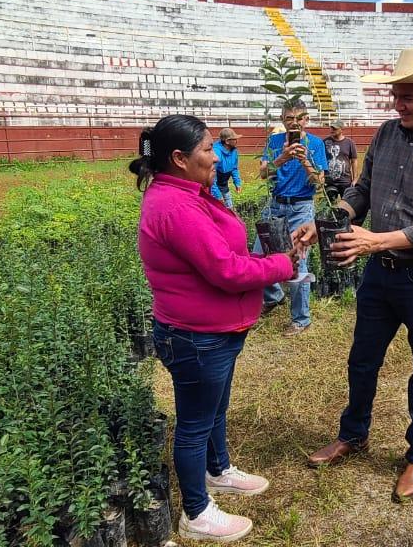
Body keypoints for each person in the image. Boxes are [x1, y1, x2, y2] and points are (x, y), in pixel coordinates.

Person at [295, 49, 413, 502]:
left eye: (408, 96)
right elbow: (361, 189)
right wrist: (330, 220)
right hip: (381, 274)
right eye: (396, 95)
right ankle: (353, 434)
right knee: (362, 361)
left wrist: (374, 240)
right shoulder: (386, 134)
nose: (398, 105)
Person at [129, 115, 297, 543]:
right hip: (196, 335)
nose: (216, 154)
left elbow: (223, 252)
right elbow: (224, 270)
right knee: (193, 425)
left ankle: (217, 469)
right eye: (208, 148)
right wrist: (281, 264)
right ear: (180, 158)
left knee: (214, 409)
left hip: (215, 331)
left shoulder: (190, 193)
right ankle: (197, 512)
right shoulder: (175, 206)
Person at [253, 99, 328, 337]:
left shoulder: (315, 144)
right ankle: (273, 295)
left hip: (301, 208)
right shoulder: (274, 142)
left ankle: (301, 318)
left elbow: (319, 182)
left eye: (299, 118)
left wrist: (304, 160)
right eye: (288, 119)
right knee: (259, 254)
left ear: (306, 119)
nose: (293, 124)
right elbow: (264, 174)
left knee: (298, 262)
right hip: (276, 204)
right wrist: (283, 157)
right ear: (282, 120)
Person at [324, 119, 358, 200]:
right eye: (331, 128)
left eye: (335, 128)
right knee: (330, 208)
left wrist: (355, 178)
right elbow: (321, 160)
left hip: (345, 181)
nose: (332, 130)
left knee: (346, 206)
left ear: (342, 129)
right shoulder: (325, 142)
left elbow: (354, 161)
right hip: (329, 181)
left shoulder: (349, 143)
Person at [211, 127, 243, 209]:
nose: (237, 141)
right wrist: (217, 195)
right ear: (227, 141)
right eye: (234, 139)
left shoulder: (233, 151)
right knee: (218, 209)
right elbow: (211, 175)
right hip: (214, 186)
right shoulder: (216, 152)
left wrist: (237, 182)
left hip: (223, 184)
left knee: (230, 208)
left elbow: (234, 168)